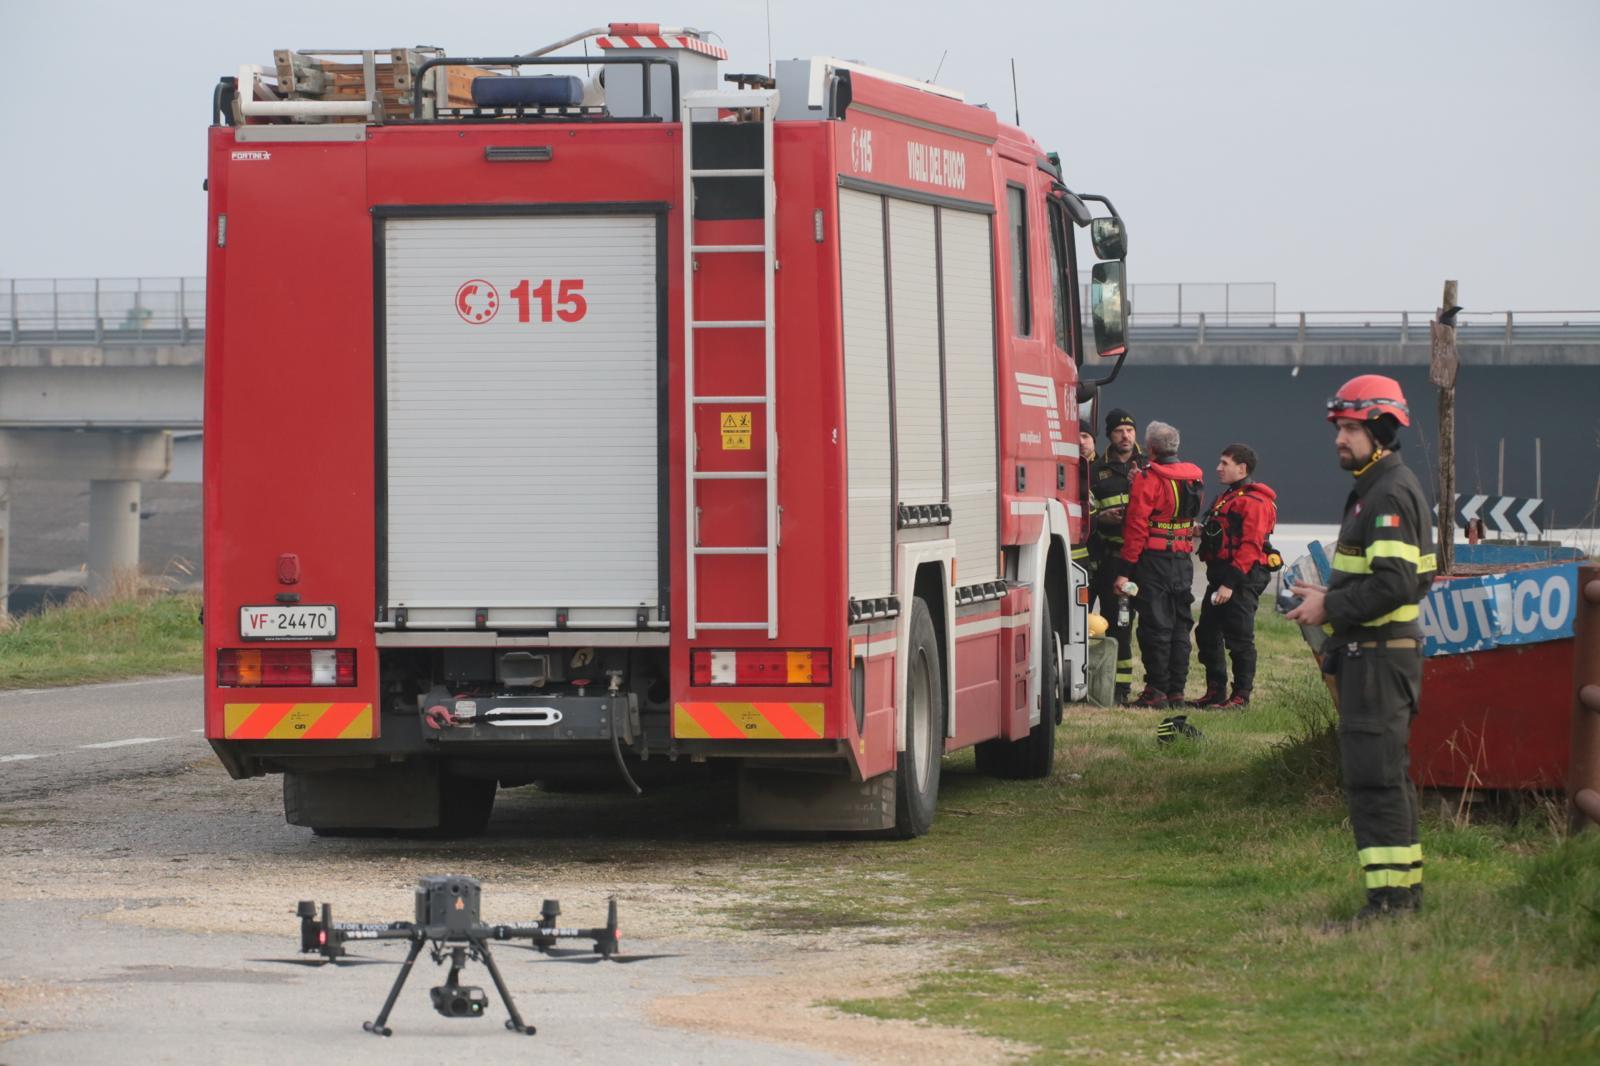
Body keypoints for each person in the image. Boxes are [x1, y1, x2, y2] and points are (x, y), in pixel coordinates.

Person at [1286, 374, 1436, 921]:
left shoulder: (1388, 493)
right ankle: (1399, 898)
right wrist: (1333, 593)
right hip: (1370, 657)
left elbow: (1398, 583)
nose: (1339, 438)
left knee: (1376, 783)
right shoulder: (1374, 488)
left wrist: (1332, 608)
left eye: (1350, 428)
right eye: (1339, 427)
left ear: (1380, 428)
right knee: (1380, 779)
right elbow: (1392, 575)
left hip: (1377, 659)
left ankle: (1391, 905)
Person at [1113, 421, 1204, 709]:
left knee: (1155, 627)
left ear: (1150, 448)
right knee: (1180, 626)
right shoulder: (1193, 476)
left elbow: (1137, 527)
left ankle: (1156, 691)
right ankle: (1177, 691)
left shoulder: (1148, 478)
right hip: (1182, 560)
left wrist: (1125, 571)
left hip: (1153, 562)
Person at [1192, 444, 1278, 709]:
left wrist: (1229, 584)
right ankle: (1215, 692)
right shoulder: (1230, 496)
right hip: (1220, 577)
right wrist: (1201, 532)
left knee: (1240, 639)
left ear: (1242, 468)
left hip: (1241, 578)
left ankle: (1241, 697)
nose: (1218, 468)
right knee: (1206, 632)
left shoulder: (1255, 502)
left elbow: (1251, 546)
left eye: (1224, 463)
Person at [1087, 409, 1143, 702]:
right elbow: (1086, 511)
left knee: (1126, 624)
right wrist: (1102, 519)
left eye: (1130, 430)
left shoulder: (1147, 466)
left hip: (1136, 561)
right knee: (1108, 620)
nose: (1126, 436)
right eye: (1120, 431)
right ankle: (1096, 683)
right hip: (1108, 557)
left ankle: (1122, 689)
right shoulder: (1096, 469)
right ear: (1109, 435)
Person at [1073, 430, 1097, 577]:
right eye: (1076, 436)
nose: (1081, 442)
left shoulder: (1103, 467)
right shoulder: (1070, 471)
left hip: (1105, 554)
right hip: (1081, 555)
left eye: (1085, 436)